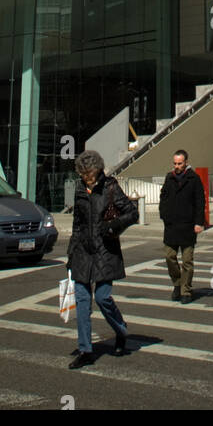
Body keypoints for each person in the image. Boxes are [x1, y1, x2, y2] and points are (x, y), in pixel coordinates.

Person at [66, 149, 138, 368]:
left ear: (97, 171)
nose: (85, 178)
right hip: (83, 251)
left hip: (105, 250)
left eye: (88, 173)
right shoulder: (79, 189)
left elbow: (132, 212)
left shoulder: (110, 187)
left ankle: (121, 330)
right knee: (82, 300)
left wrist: (113, 226)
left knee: (103, 297)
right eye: (82, 174)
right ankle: (86, 349)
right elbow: (77, 223)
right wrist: (71, 253)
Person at [158, 149, 205, 303]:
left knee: (187, 261)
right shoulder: (169, 178)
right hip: (171, 226)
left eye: (180, 163)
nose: (177, 166)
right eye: (175, 163)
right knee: (169, 257)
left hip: (187, 226)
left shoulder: (194, 179)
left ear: (186, 163)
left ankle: (186, 290)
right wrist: (164, 215)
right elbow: (163, 198)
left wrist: (199, 222)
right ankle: (177, 283)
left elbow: (200, 202)